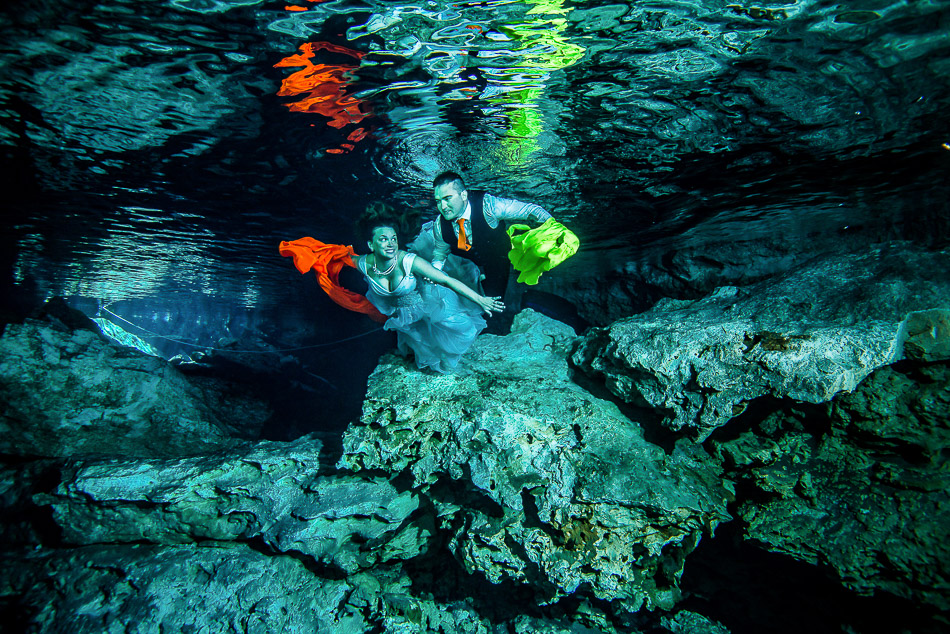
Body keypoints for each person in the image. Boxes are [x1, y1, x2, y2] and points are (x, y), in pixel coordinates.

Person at [353, 206, 504, 373]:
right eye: (383, 239)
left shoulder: (409, 261)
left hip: (429, 302)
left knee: (462, 331)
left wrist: (480, 299)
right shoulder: (361, 263)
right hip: (402, 313)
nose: (391, 244)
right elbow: (334, 257)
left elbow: (446, 280)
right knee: (417, 342)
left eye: (393, 239)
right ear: (370, 244)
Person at [410, 171, 554, 301]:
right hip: (465, 264)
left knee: (495, 302)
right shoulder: (439, 225)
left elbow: (529, 210)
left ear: (464, 195)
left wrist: (554, 226)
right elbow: (440, 253)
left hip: (497, 260)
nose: (443, 206)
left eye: (448, 198)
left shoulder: (488, 206)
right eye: (438, 201)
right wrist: (435, 272)